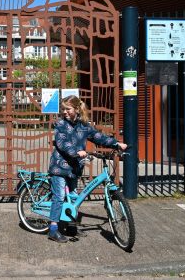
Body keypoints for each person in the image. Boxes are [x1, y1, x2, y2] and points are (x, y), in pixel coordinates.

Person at [48, 95, 127, 243]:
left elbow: (98, 137)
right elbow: (61, 142)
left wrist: (116, 144)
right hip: (59, 166)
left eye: (68, 109)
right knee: (59, 196)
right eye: (63, 109)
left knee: (73, 197)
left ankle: (71, 226)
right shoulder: (60, 124)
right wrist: (75, 152)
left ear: (77, 109)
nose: (64, 112)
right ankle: (53, 229)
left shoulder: (84, 125)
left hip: (74, 167)